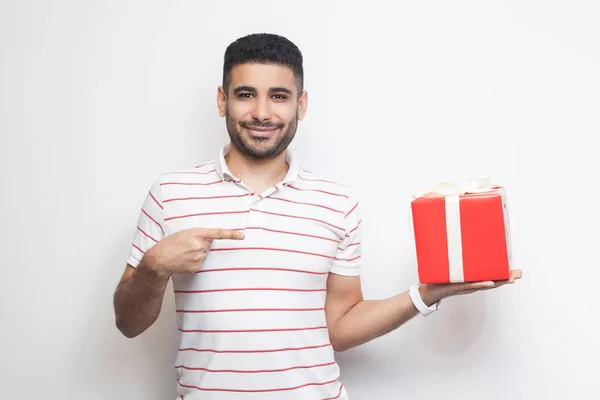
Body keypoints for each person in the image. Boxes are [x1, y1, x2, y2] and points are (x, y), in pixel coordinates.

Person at [113, 33, 522, 399]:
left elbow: (340, 329)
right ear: (222, 99)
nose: (261, 113)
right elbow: (128, 324)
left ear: (300, 104)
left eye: (278, 96)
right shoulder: (170, 194)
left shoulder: (336, 203)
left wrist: (427, 294)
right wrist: (154, 267)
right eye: (245, 94)